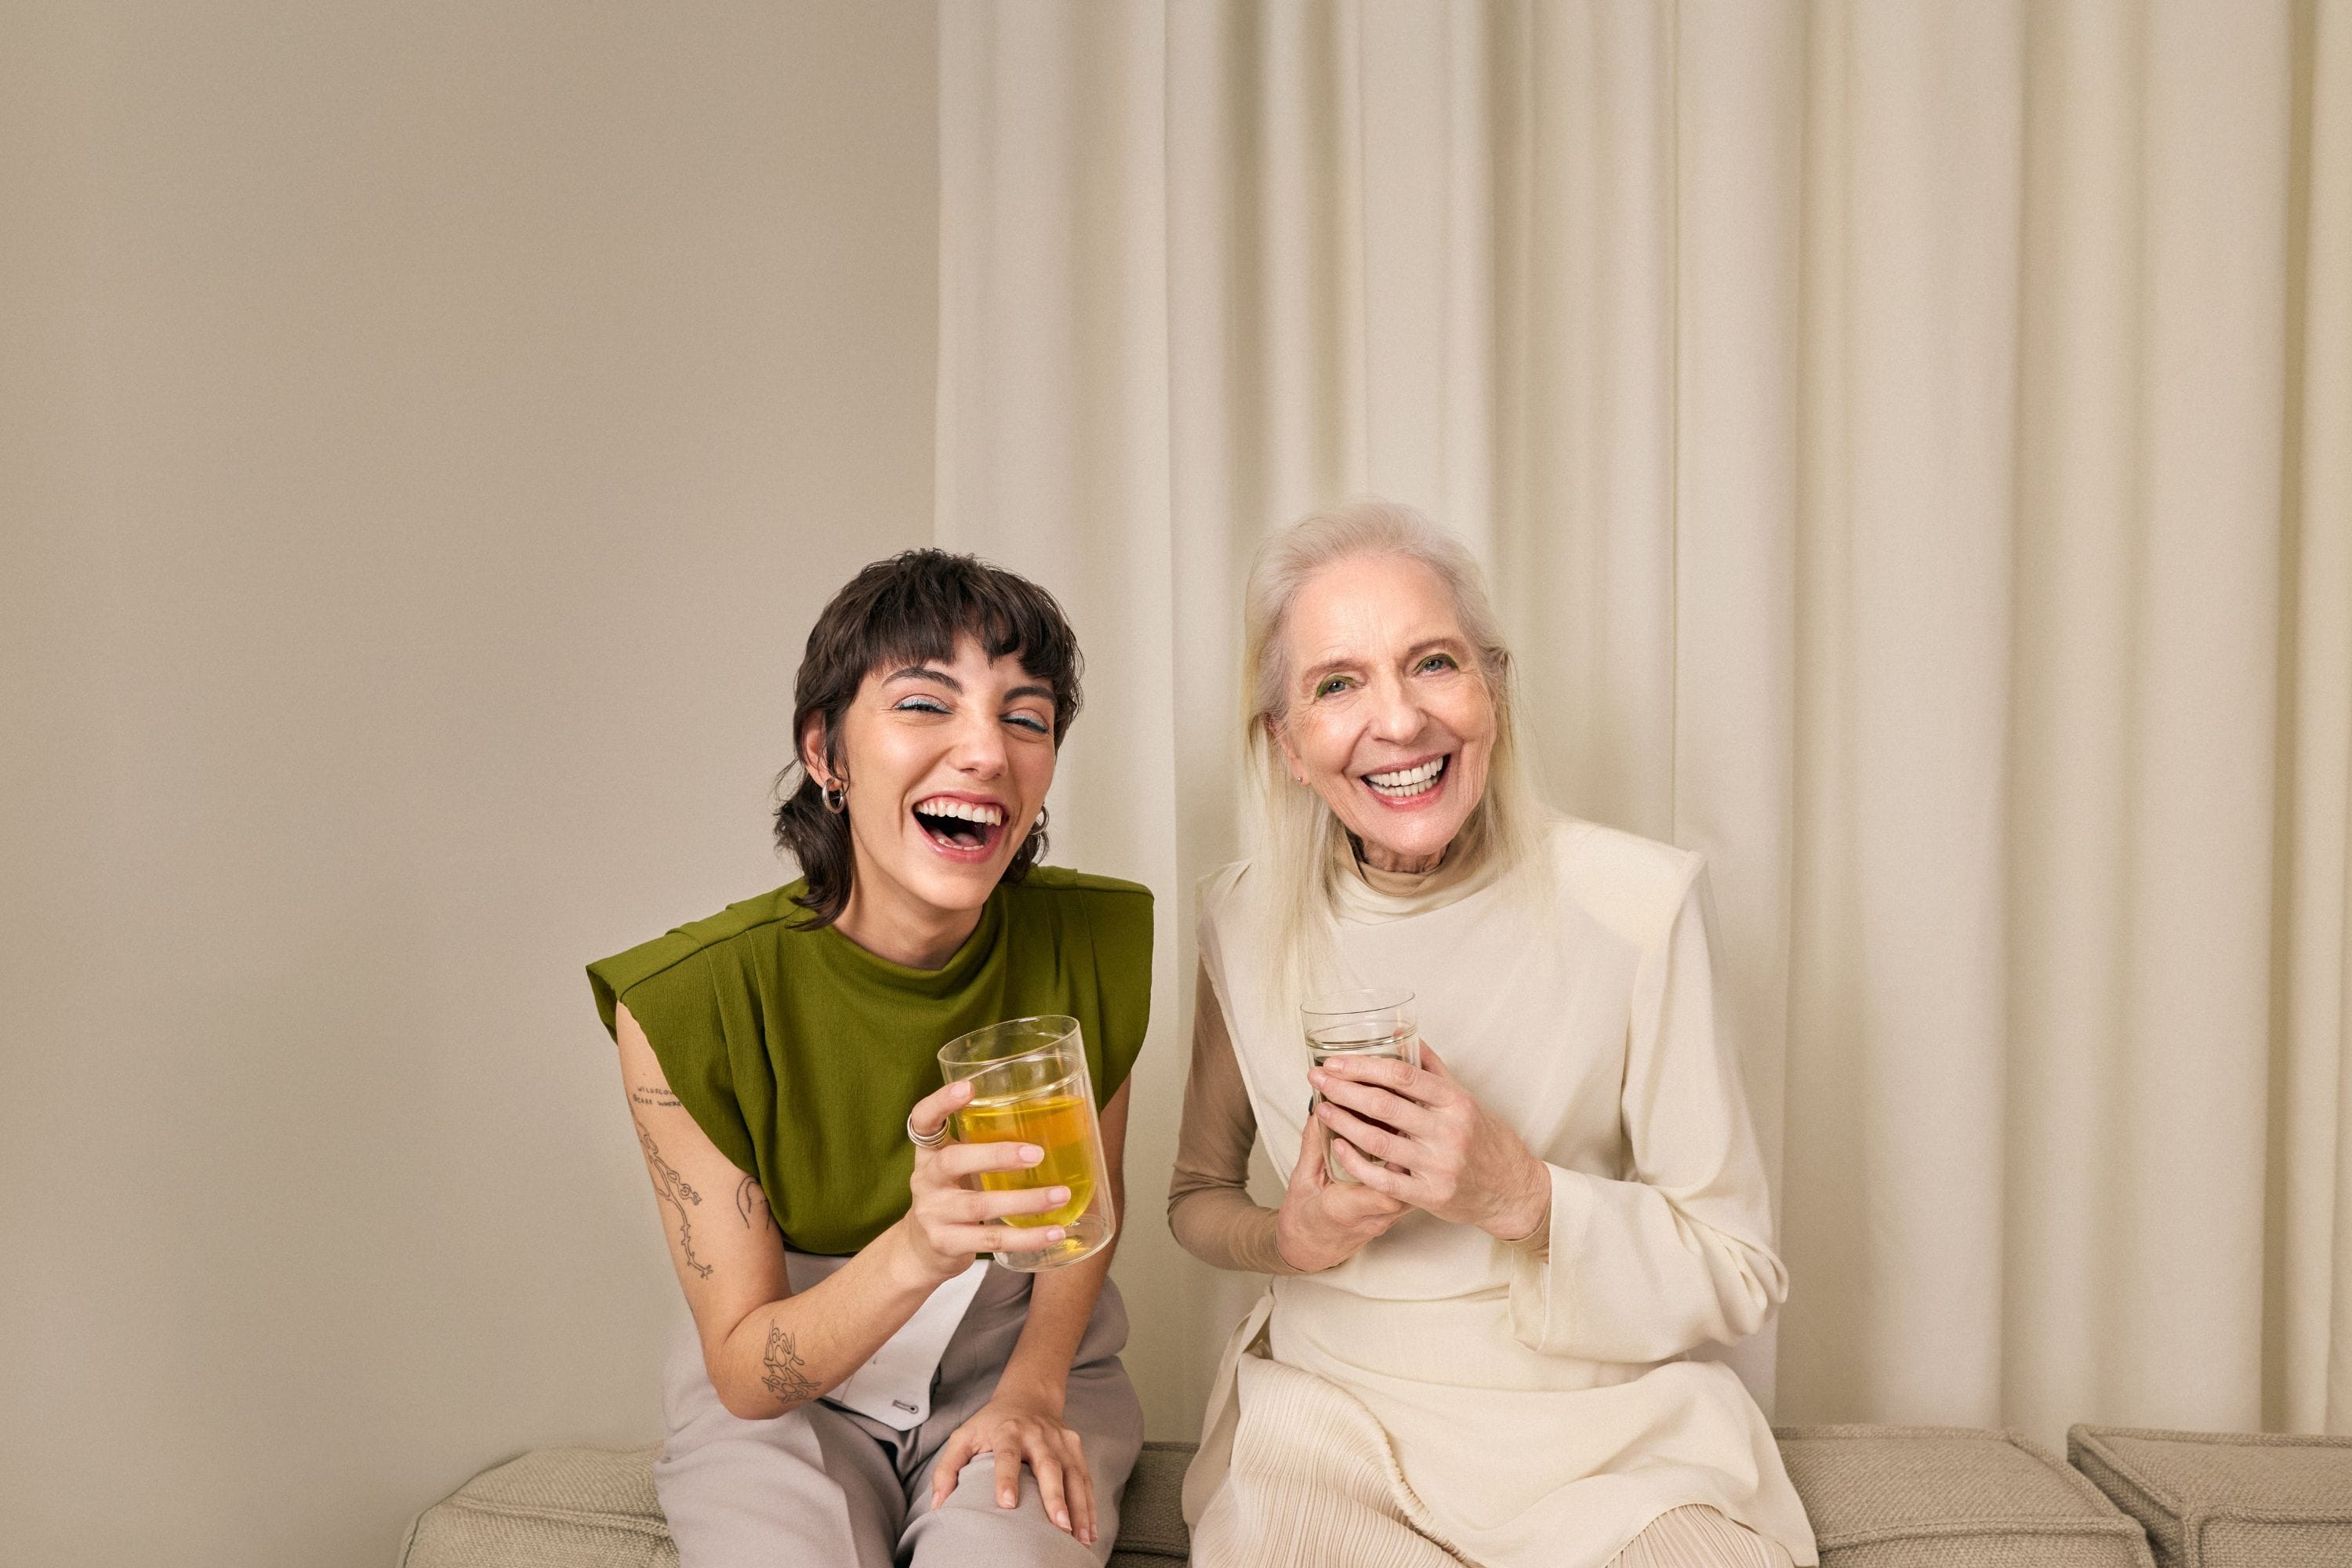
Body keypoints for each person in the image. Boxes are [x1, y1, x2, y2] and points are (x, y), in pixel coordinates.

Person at [1168, 501, 1818, 1568]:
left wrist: (1520, 1195)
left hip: (1610, 1446)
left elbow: (1739, 1269)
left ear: (1494, 693)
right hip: (1332, 1429)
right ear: (1286, 744)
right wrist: (1294, 1240)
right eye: (1338, 684)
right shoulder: (1238, 922)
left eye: (1434, 663)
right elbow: (1196, 1197)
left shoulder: (1639, 904)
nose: (1399, 721)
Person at [588, 550, 1149, 1568]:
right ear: (826, 752)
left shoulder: (1096, 939)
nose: (986, 751)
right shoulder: (686, 1004)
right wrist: (920, 1248)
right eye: (925, 704)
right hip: (785, 1406)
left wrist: (1031, 1392)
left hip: (1023, 1368)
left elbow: (1083, 1219)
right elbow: (748, 1373)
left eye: (1025, 718)